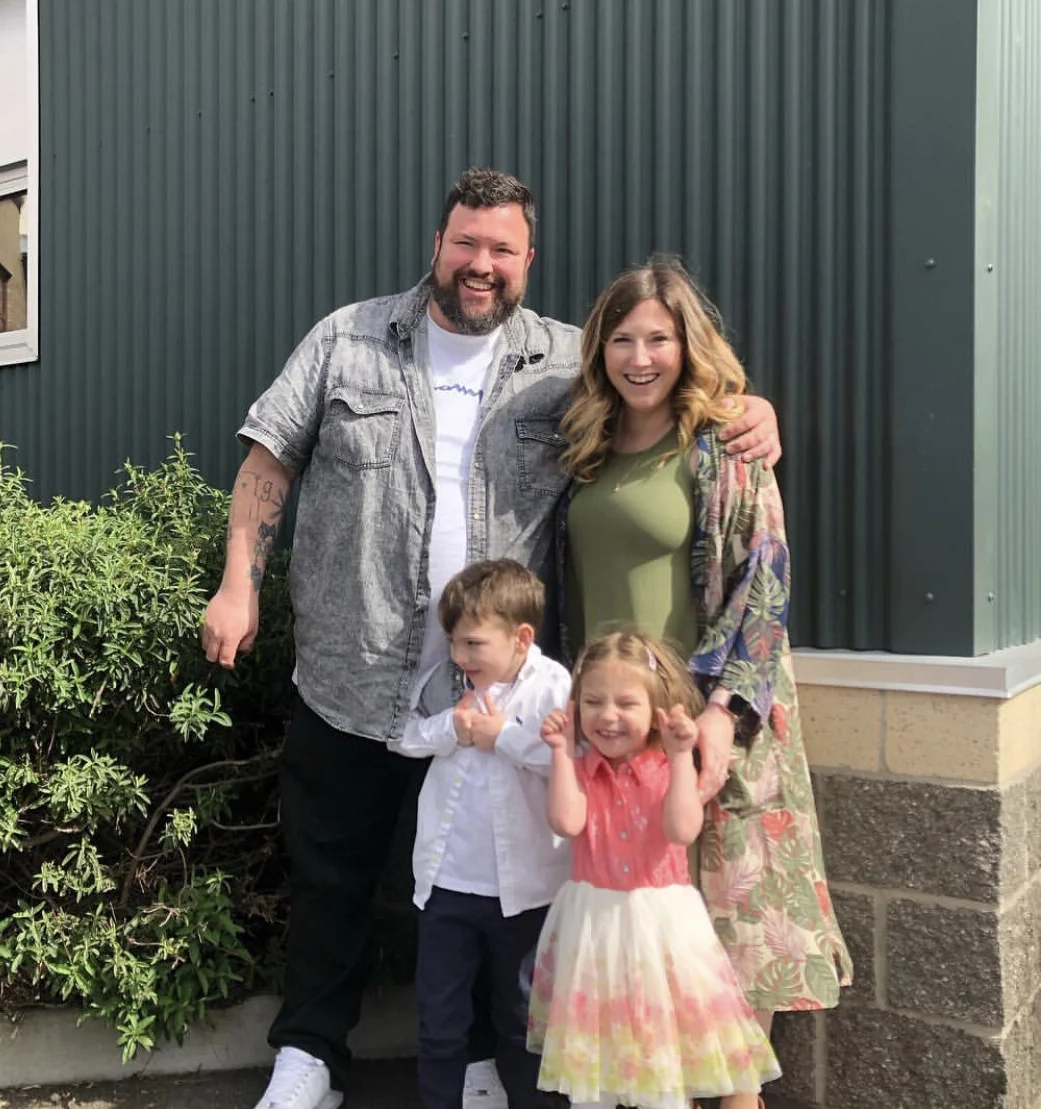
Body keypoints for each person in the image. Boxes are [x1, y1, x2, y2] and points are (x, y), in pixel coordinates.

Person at [200, 169, 782, 1109]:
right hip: (352, 678)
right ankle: (309, 1055)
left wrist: (744, 410)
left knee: (492, 884)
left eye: (502, 250)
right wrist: (239, 583)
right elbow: (269, 456)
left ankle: (477, 1058)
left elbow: (655, 394)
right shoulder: (347, 339)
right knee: (331, 879)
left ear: (527, 260)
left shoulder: (563, 362)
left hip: (503, 698)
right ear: (437, 243)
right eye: (466, 243)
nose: (481, 264)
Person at [557, 258, 853, 1109]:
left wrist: (723, 713)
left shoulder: (724, 446)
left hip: (708, 723)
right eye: (621, 340)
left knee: (726, 939)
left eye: (658, 339)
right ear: (598, 349)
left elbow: (765, 585)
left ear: (688, 345)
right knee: (643, 943)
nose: (639, 358)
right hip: (615, 734)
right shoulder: (583, 447)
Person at [528, 631, 781, 1109]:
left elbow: (682, 829)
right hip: (594, 926)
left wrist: (682, 756)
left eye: (627, 703)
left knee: (662, 1053)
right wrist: (560, 752)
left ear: (657, 709)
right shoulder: (581, 769)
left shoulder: (667, 767)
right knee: (596, 1056)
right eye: (593, 702)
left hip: (660, 925)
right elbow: (566, 821)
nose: (608, 716)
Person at [391, 559, 571, 1109]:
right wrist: (452, 727)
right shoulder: (446, 682)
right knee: (440, 1022)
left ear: (522, 638)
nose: (459, 656)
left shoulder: (553, 686)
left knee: (523, 1022)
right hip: (447, 886)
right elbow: (402, 736)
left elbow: (572, 762)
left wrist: (503, 737)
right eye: (453, 642)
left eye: (473, 644)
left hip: (525, 894)